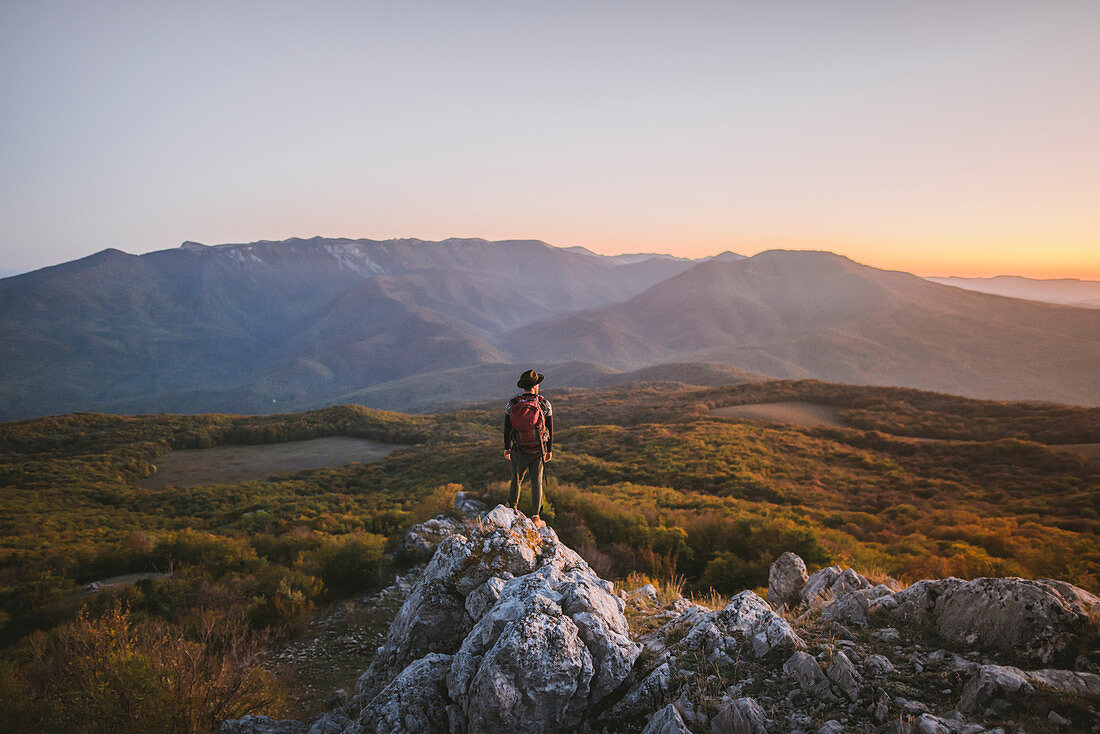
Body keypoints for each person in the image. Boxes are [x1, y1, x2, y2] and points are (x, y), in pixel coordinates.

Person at [504, 369, 553, 527]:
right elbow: (550, 429)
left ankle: (511, 509)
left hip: (518, 449)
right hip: (537, 450)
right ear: (535, 386)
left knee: (516, 480)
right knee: (536, 483)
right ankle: (536, 517)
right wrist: (549, 450)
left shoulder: (513, 404)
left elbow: (507, 428)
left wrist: (507, 448)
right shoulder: (544, 404)